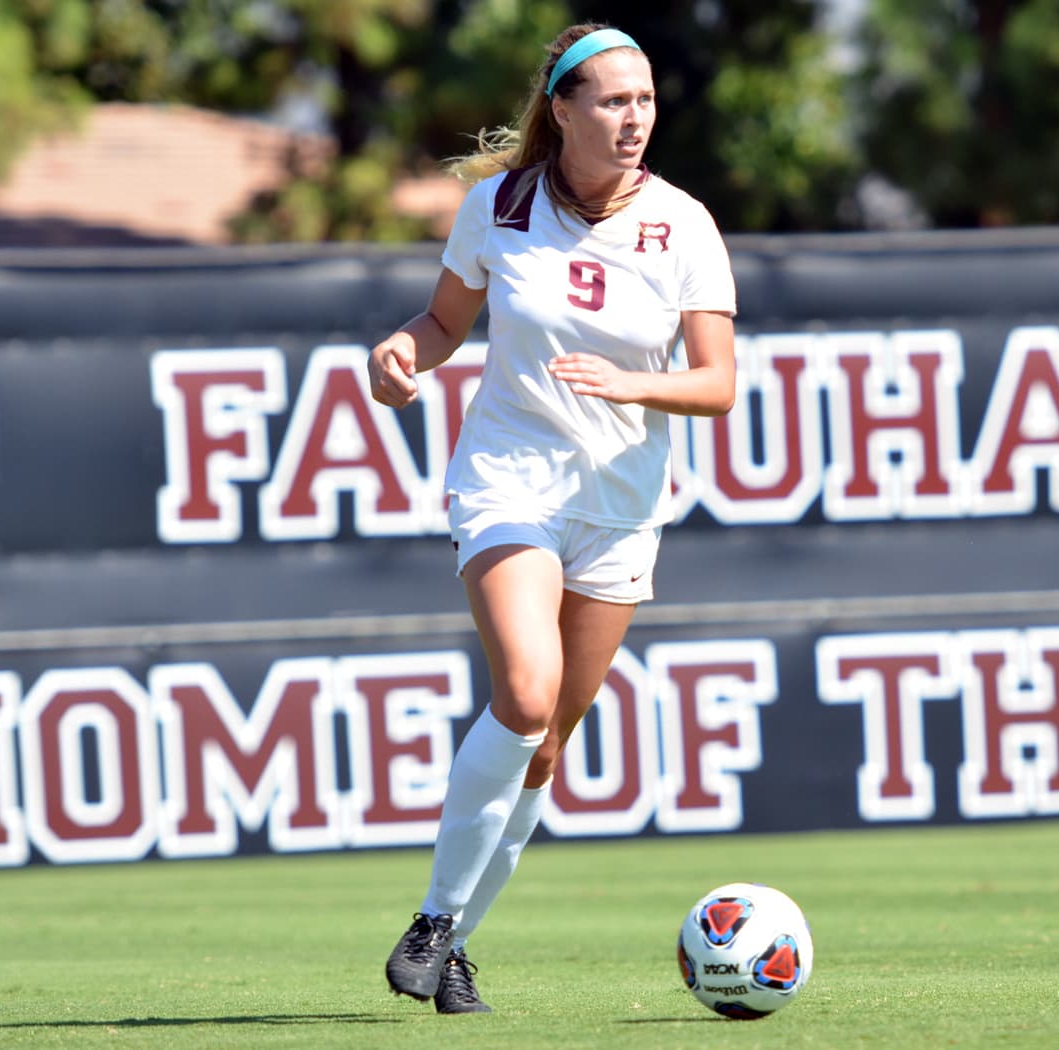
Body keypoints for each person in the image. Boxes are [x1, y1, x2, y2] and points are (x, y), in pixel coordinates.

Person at [365, 23, 737, 1016]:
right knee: (525, 694)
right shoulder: (497, 206)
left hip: (619, 506)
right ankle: (434, 920)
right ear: (562, 109)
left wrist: (632, 383)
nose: (634, 118)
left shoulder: (683, 225)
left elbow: (717, 384)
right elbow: (442, 324)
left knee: (544, 749)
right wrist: (398, 356)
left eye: (644, 100)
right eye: (613, 100)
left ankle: (453, 945)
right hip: (509, 482)